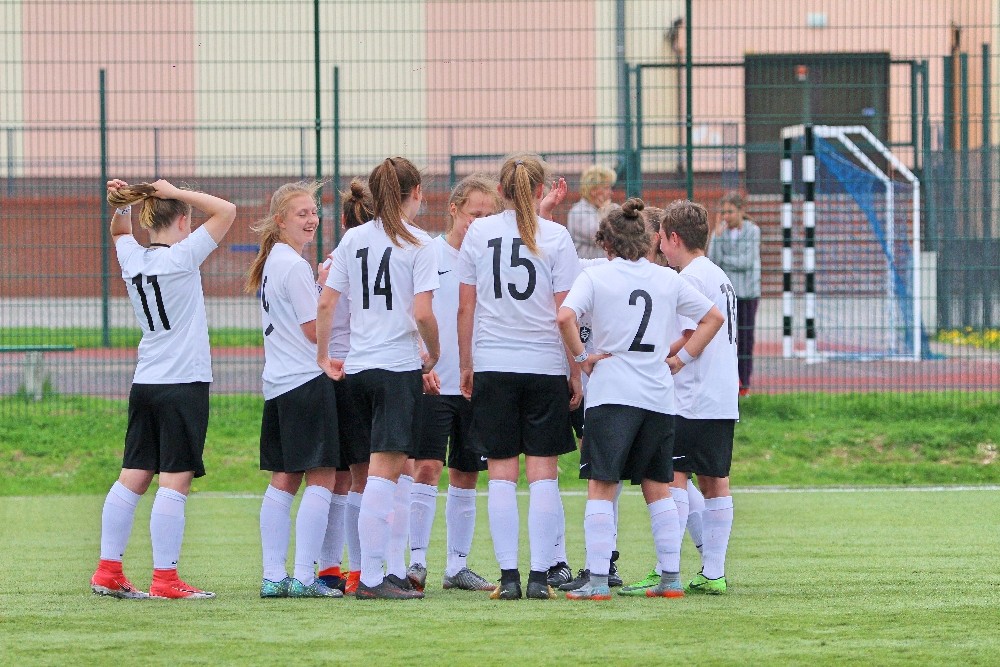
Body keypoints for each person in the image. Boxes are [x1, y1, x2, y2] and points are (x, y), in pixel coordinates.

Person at [556, 198, 723, 601]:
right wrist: (681, 359)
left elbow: (564, 317)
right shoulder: (666, 279)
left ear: (606, 243)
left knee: (602, 485)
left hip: (612, 394)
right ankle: (671, 578)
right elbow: (713, 318)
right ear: (648, 241)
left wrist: (581, 358)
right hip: (658, 397)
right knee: (659, 487)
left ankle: (598, 581)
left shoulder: (596, 276)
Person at [91, 178, 236, 600]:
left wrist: (122, 204)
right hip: (183, 384)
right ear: (184, 220)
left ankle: (108, 571)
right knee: (175, 481)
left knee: (133, 477)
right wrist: (174, 191)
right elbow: (226, 210)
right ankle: (166, 580)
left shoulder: (133, 257)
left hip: (146, 383)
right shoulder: (182, 256)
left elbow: (120, 230)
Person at [457, 153, 582, 601]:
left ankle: (508, 578)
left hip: (494, 364)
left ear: (500, 192)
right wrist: (575, 370)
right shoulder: (556, 235)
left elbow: (465, 307)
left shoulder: (479, 232)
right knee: (544, 475)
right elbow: (566, 312)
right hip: (544, 366)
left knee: (502, 476)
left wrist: (467, 364)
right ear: (539, 190)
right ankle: (539, 578)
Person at [316, 156, 440, 601]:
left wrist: (324, 356)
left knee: (369, 476)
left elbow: (326, 303)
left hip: (358, 369)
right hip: (395, 369)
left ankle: (381, 572)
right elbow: (423, 312)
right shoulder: (420, 242)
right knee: (385, 477)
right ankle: (372, 577)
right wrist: (435, 354)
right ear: (416, 192)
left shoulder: (353, 238)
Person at [404, 175, 501, 593]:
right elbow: (413, 312)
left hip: (476, 383)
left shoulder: (493, 260)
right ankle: (416, 562)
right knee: (426, 467)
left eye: (489, 215)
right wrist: (420, 362)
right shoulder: (429, 252)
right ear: (454, 210)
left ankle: (457, 566)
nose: (480, 222)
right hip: (434, 380)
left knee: (467, 472)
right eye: (474, 214)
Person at [246, 181, 343, 599]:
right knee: (321, 477)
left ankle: (273, 576)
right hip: (305, 382)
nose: (311, 219)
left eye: (314, 212)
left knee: (284, 478)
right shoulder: (292, 265)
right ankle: (303, 576)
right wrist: (326, 290)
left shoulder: (275, 261)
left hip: (279, 384)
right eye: (302, 213)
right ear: (280, 220)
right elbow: (311, 329)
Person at [660, 199, 740, 594]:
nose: (660, 247)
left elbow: (692, 332)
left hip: (692, 396)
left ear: (674, 238)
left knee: (673, 477)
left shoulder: (689, 278)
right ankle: (713, 573)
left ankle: (668, 571)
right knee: (714, 481)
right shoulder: (718, 274)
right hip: (722, 395)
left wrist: (665, 357)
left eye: (662, 238)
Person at [319, 179, 375, 595]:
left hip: (331, 374)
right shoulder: (372, 258)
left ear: (342, 221)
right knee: (365, 478)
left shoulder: (330, 261)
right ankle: (360, 570)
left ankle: (328, 569)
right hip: (362, 370)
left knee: (338, 480)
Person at [707, 191, 760, 396]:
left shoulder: (753, 231)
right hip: (727, 295)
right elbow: (713, 260)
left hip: (747, 293)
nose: (726, 216)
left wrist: (726, 261)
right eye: (723, 212)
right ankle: (726, 382)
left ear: (741, 211)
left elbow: (746, 262)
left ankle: (744, 384)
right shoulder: (720, 233)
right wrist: (717, 238)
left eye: (730, 212)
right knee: (725, 340)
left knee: (745, 339)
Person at [566, 165, 616, 259]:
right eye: (606, 188)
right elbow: (603, 236)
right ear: (593, 190)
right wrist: (605, 211)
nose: (611, 192)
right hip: (587, 266)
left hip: (606, 264)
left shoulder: (611, 208)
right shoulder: (578, 212)